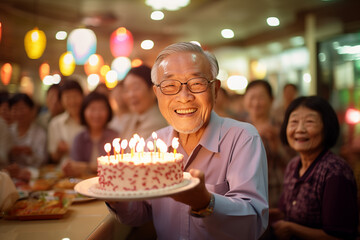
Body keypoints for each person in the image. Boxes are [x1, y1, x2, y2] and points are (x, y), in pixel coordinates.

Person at [106, 42, 268, 240]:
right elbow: (141, 213)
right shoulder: (154, 145)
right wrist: (117, 199)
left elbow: (253, 225)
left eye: (197, 83)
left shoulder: (242, 138)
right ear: (157, 94)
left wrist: (205, 202)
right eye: (170, 86)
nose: (184, 97)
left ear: (215, 90)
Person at [269, 96, 358, 240]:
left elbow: (340, 236)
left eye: (309, 122)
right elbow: (288, 212)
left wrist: (292, 229)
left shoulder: (335, 172)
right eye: (294, 122)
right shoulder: (293, 165)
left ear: (327, 127)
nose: (300, 129)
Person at [243, 80, 294, 208]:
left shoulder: (282, 128)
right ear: (245, 100)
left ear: (271, 100)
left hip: (275, 192)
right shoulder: (238, 128)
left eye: (261, 97)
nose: (256, 103)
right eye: (251, 97)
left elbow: (293, 163)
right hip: (245, 192)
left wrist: (277, 147)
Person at [62, 91, 119, 177]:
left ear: (108, 112)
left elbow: (117, 168)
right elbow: (75, 169)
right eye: (92, 109)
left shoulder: (115, 137)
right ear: (84, 112)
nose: (97, 114)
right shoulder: (79, 139)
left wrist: (86, 167)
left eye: (101, 109)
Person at [119, 65, 168, 140]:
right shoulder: (131, 120)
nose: (131, 95)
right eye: (126, 90)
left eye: (136, 88)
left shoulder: (157, 123)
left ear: (153, 91)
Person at [47, 79, 85, 164]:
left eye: (75, 96)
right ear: (61, 101)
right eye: (68, 97)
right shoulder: (55, 123)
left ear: (82, 97)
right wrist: (59, 150)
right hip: (65, 172)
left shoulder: (91, 120)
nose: (72, 101)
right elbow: (54, 157)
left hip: (88, 172)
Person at [8, 93, 47, 168]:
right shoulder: (8, 131)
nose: (19, 113)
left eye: (22, 109)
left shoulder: (40, 133)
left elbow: (43, 160)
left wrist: (31, 153)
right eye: (15, 109)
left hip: (35, 174)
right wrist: (9, 153)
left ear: (32, 111)